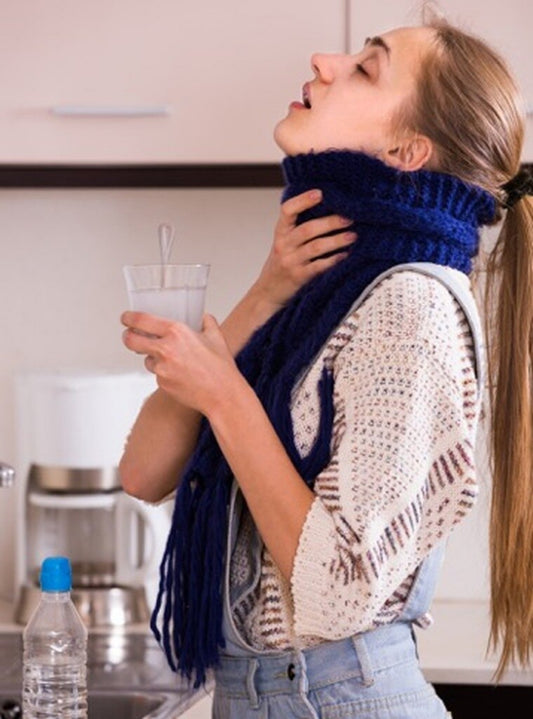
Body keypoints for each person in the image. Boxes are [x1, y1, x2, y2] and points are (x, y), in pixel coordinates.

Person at [119, 11, 533, 719]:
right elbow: (142, 473)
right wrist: (265, 290)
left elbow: (335, 591)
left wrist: (225, 394)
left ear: (406, 149)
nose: (323, 60)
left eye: (366, 68)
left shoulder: (411, 306)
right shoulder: (321, 288)